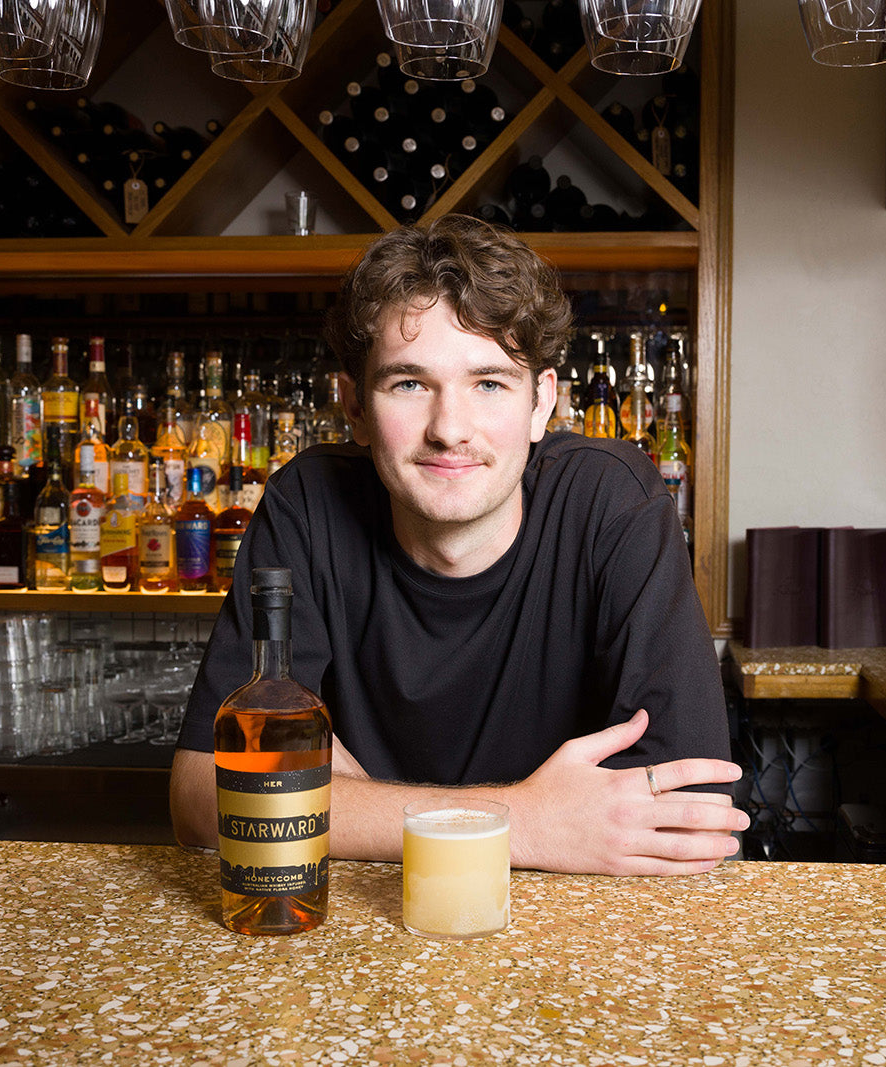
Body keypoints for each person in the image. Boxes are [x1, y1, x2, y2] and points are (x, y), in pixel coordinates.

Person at [171, 214, 748, 876]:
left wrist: (341, 803)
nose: (449, 428)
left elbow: (691, 809)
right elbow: (203, 799)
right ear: (354, 407)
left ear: (540, 406)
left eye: (490, 383)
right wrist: (523, 821)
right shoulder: (307, 504)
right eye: (409, 383)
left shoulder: (613, 502)